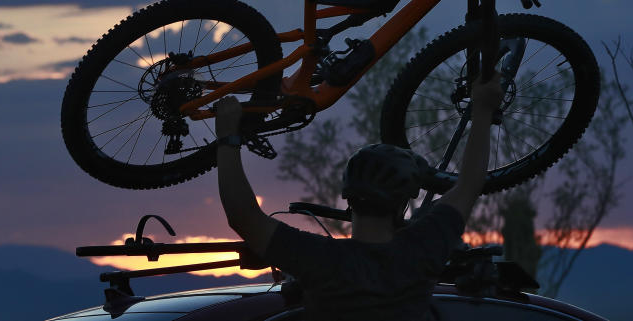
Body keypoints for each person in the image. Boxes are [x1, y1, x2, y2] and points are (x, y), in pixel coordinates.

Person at [214, 73, 504, 321]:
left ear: (349, 198)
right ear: (401, 202)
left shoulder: (320, 259)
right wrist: (482, 110)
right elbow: (469, 184)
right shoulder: (420, 250)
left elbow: (242, 216)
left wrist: (228, 135)